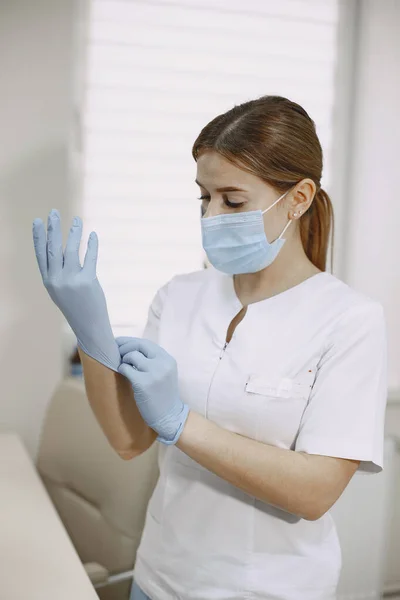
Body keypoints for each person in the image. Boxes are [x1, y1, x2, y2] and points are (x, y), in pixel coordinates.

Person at [33, 96, 388, 600]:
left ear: (300, 197)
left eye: (233, 200)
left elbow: (315, 491)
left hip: (268, 590)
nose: (212, 215)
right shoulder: (180, 295)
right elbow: (127, 441)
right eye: (204, 198)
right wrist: (92, 336)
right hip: (159, 578)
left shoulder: (349, 320)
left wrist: (180, 423)